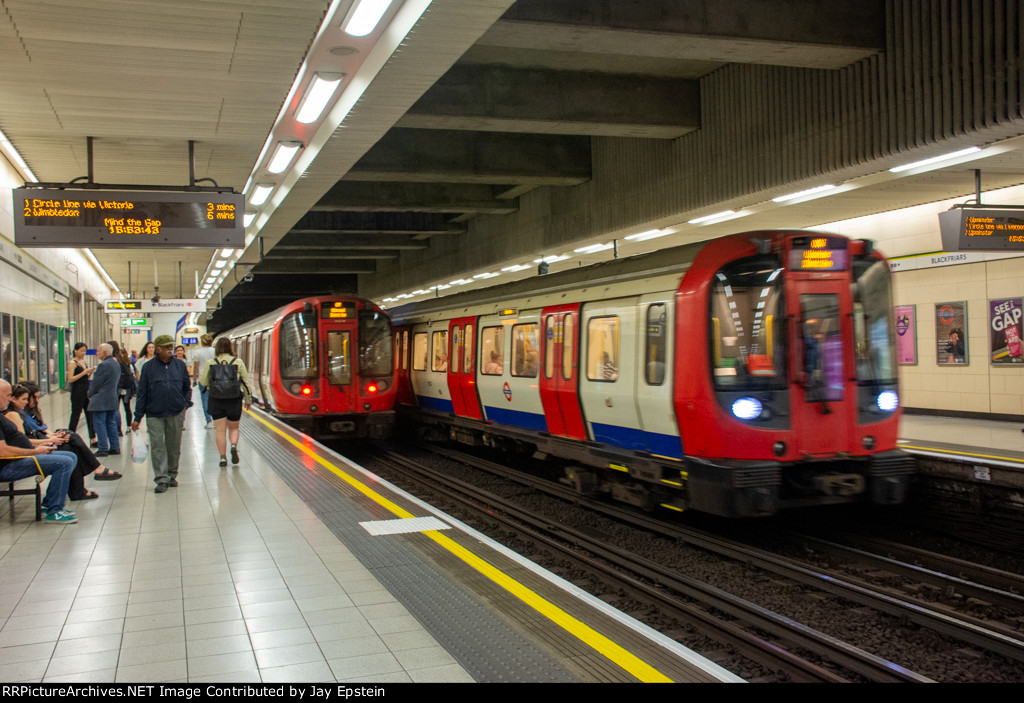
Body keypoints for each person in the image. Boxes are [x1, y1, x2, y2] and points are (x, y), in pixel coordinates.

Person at [6, 383, 120, 500]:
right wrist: (51, 440)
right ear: (13, 399)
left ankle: (81, 487)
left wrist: (54, 437)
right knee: (70, 450)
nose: (33, 401)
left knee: (70, 441)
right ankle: (89, 478)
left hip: (41, 442)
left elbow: (41, 430)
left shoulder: (29, 413)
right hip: (33, 449)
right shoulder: (15, 415)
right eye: (26, 399)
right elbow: (23, 440)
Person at [0, 379, 78, 524]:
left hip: (20, 458)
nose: (9, 399)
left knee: (71, 456)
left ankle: (49, 503)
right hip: (8, 466)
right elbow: (2, 452)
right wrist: (35, 452)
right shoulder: (9, 415)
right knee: (64, 462)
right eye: (7, 395)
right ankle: (55, 510)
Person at [133, 335, 192, 493]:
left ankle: (172, 475)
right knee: (158, 446)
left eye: (170, 347)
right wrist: (137, 417)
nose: (169, 350)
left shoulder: (179, 365)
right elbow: (142, 393)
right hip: (154, 413)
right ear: (157, 349)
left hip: (176, 411)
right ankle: (161, 479)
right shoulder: (148, 367)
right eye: (166, 347)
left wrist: (186, 404)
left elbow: (187, 387)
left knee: (173, 446)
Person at [199, 337, 253, 467]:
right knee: (234, 428)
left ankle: (223, 458)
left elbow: (203, 382)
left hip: (216, 400)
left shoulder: (211, 362)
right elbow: (245, 383)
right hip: (234, 400)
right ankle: (233, 445)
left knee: (220, 431)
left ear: (217, 348)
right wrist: (248, 399)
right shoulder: (238, 362)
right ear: (230, 347)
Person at [87, 343, 121, 456]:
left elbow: (96, 383)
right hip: (112, 398)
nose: (97, 353)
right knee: (111, 422)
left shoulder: (103, 365)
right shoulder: (116, 364)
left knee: (99, 423)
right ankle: (115, 447)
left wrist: (89, 394)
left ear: (105, 352)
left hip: (101, 399)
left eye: (99, 351)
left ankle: (103, 448)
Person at [67, 342, 96, 445]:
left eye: (84, 351)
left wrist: (89, 373)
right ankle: (70, 437)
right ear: (75, 351)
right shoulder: (72, 363)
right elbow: (70, 379)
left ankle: (93, 438)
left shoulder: (83, 361)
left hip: (85, 390)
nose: (83, 353)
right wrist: (83, 372)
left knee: (90, 414)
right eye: (81, 351)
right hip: (77, 391)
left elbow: (85, 378)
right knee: (76, 414)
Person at [191, 333, 216, 429]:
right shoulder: (214, 351)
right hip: (214, 378)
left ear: (202, 341)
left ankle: (208, 421)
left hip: (203, 378)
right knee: (214, 400)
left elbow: (196, 367)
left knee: (205, 400)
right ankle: (216, 420)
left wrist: (194, 379)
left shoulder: (197, 352)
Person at [116, 347, 136, 432]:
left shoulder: (117, 363)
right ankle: (128, 426)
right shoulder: (129, 363)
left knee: (116, 408)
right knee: (127, 407)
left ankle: (118, 428)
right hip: (127, 387)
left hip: (118, 387)